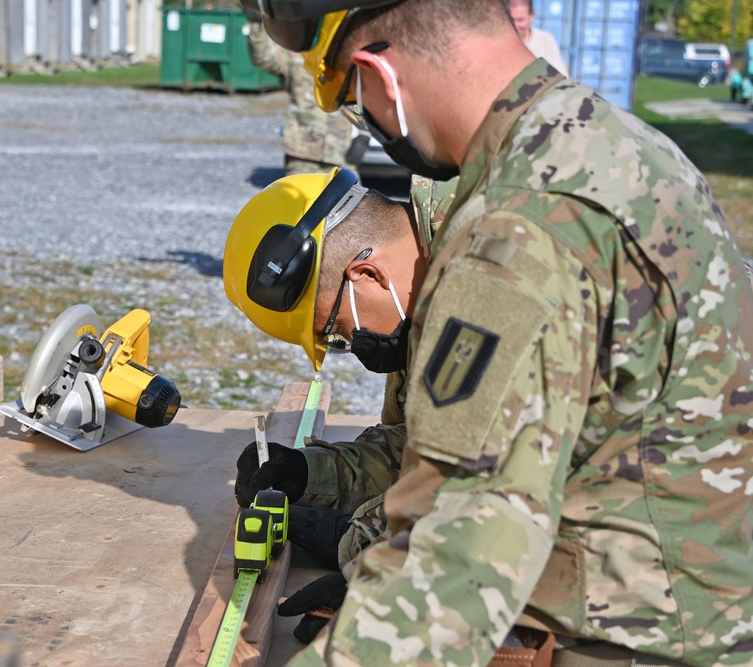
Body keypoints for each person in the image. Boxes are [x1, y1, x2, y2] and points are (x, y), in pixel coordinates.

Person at [232, 0, 753, 665]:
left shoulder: (517, 231)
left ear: (377, 74)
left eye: (357, 103)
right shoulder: (606, 143)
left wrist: (369, 572)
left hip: (643, 638)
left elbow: (460, 564)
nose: (373, 124)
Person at [224, 167, 456, 641]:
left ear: (366, 274)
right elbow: (416, 448)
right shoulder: (423, 296)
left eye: (335, 331)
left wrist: (370, 555)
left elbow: (500, 483)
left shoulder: (489, 274)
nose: (347, 343)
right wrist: (310, 474)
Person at [245, 11, 366, 175]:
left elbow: (364, 96)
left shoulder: (347, 55)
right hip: (302, 154)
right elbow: (263, 58)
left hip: (341, 153)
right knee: (302, 200)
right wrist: (257, 24)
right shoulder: (296, 55)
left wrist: (364, 135)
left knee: (351, 200)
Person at [508, 0, 568, 77]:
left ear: (532, 16)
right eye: (512, 20)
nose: (515, 25)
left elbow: (562, 80)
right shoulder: (499, 42)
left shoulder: (545, 41)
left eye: (520, 20)